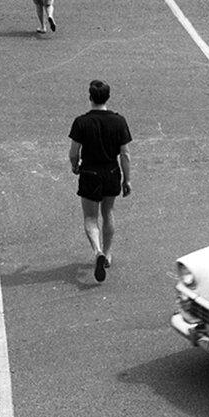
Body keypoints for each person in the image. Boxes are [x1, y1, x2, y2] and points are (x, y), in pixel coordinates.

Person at [68, 80, 132, 283]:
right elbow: (125, 154)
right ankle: (108, 252)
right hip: (112, 172)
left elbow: (73, 152)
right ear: (108, 97)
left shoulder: (81, 122)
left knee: (90, 218)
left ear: (90, 97)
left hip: (90, 173)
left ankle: (97, 251)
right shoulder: (119, 121)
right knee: (108, 212)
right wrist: (127, 179)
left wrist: (75, 166)